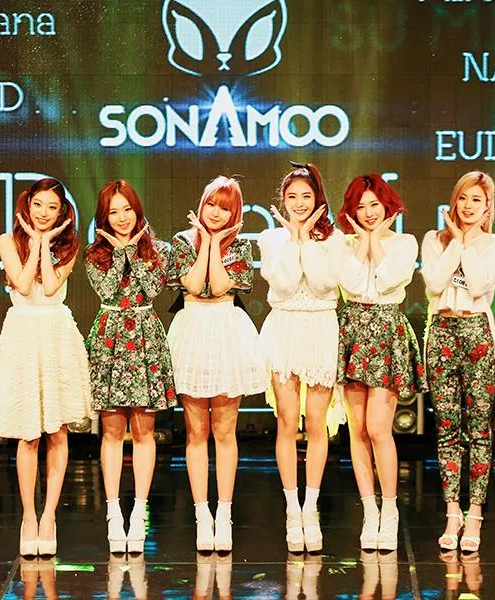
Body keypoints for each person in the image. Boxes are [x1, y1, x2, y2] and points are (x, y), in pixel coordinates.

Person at [0, 177, 92, 557]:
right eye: (38, 205)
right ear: (27, 205)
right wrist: (34, 242)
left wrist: (47, 244)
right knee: (28, 434)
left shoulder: (70, 246)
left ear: (62, 212)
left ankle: (49, 517)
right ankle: (29, 518)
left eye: (52, 207)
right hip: (22, 334)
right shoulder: (7, 241)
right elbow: (20, 283)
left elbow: (49, 288)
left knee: (58, 432)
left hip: (55, 333)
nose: (44, 213)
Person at [166, 176, 268, 552]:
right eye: (211, 204)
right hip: (192, 328)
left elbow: (222, 286)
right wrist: (206, 243)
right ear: (202, 204)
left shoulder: (240, 245)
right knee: (196, 431)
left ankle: (224, 514)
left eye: (225, 208)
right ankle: (201, 515)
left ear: (234, 213)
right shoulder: (181, 242)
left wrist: (215, 242)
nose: (216, 212)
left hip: (226, 329)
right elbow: (194, 286)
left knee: (225, 431)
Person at [84, 180, 177, 554]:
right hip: (110, 338)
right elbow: (108, 290)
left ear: (138, 212)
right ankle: (112, 513)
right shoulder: (94, 254)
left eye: (127, 210)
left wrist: (133, 252)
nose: (122, 218)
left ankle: (139, 511)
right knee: (111, 431)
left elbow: (151, 289)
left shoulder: (159, 250)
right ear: (104, 217)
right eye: (114, 212)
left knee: (144, 430)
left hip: (144, 337)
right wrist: (120, 252)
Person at [257, 162, 346, 553]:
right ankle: (292, 510)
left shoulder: (334, 239)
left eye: (306, 196)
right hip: (285, 328)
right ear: (282, 200)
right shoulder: (270, 238)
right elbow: (285, 283)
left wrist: (308, 238)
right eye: (291, 196)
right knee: (287, 421)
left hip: (321, 328)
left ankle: (311, 508)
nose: (298, 203)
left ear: (318, 200)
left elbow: (325, 283)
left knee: (317, 423)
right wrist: (293, 240)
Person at [335, 174, 426, 551]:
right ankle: (369, 511)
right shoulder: (342, 243)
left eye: (375, 205)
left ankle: (390, 510)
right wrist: (363, 243)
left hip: (387, 329)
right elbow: (353, 285)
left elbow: (389, 280)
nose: (369, 213)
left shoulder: (405, 243)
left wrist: (374, 241)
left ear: (387, 206)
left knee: (378, 427)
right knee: (357, 430)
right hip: (353, 330)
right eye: (361, 206)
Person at [420, 171, 495, 553]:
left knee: (479, 429)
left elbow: (478, 284)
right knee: (447, 429)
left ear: (488, 207)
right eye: (463, 198)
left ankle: (475, 514)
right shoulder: (433, 239)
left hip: (477, 333)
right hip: (441, 331)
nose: (468, 206)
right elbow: (435, 283)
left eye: (477, 200)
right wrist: (455, 241)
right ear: (453, 201)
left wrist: (466, 243)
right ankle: (452, 512)